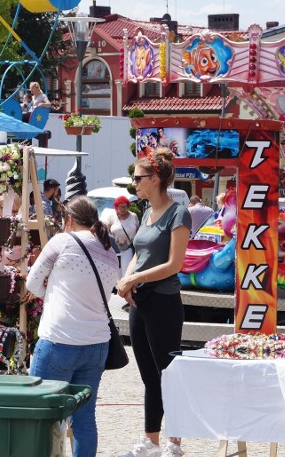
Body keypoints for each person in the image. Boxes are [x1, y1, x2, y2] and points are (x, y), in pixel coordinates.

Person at [26, 195, 118, 457]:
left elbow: (32, 283)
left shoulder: (63, 241)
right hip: (97, 344)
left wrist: (53, 290)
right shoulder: (110, 251)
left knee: (43, 414)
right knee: (85, 419)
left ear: (68, 219)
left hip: (59, 339)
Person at [115, 148, 191, 457]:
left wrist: (133, 279)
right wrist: (127, 280)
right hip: (140, 301)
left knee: (168, 374)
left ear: (155, 178)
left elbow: (175, 264)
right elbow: (137, 254)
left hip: (164, 302)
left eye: (138, 178)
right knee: (148, 375)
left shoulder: (178, 213)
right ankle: (151, 440)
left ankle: (174, 442)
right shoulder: (146, 212)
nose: (134, 183)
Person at [101, 196, 140, 274]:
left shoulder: (133, 216)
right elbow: (106, 232)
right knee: (116, 271)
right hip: (114, 249)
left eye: (125, 206)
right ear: (116, 206)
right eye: (121, 206)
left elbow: (138, 231)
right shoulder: (111, 216)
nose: (123, 209)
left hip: (128, 248)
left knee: (127, 270)